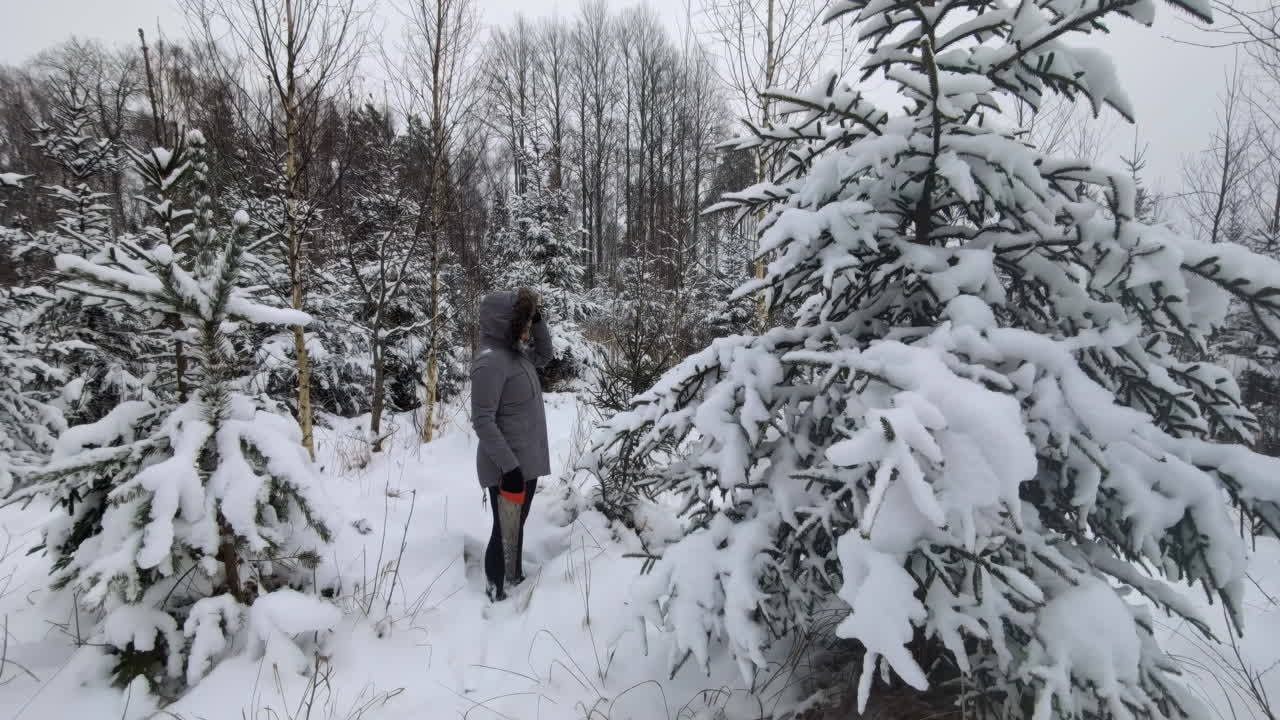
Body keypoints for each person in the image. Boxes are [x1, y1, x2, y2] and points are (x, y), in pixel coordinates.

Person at [471, 287, 553, 602]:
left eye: (527, 322)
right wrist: (511, 468)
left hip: (523, 462)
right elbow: (483, 421)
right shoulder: (490, 363)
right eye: (521, 321)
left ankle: (513, 573)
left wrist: (538, 318)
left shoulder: (516, 356)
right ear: (502, 322)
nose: (526, 329)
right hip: (507, 467)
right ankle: (495, 591)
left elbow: (545, 355)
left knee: (516, 524)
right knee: (503, 528)